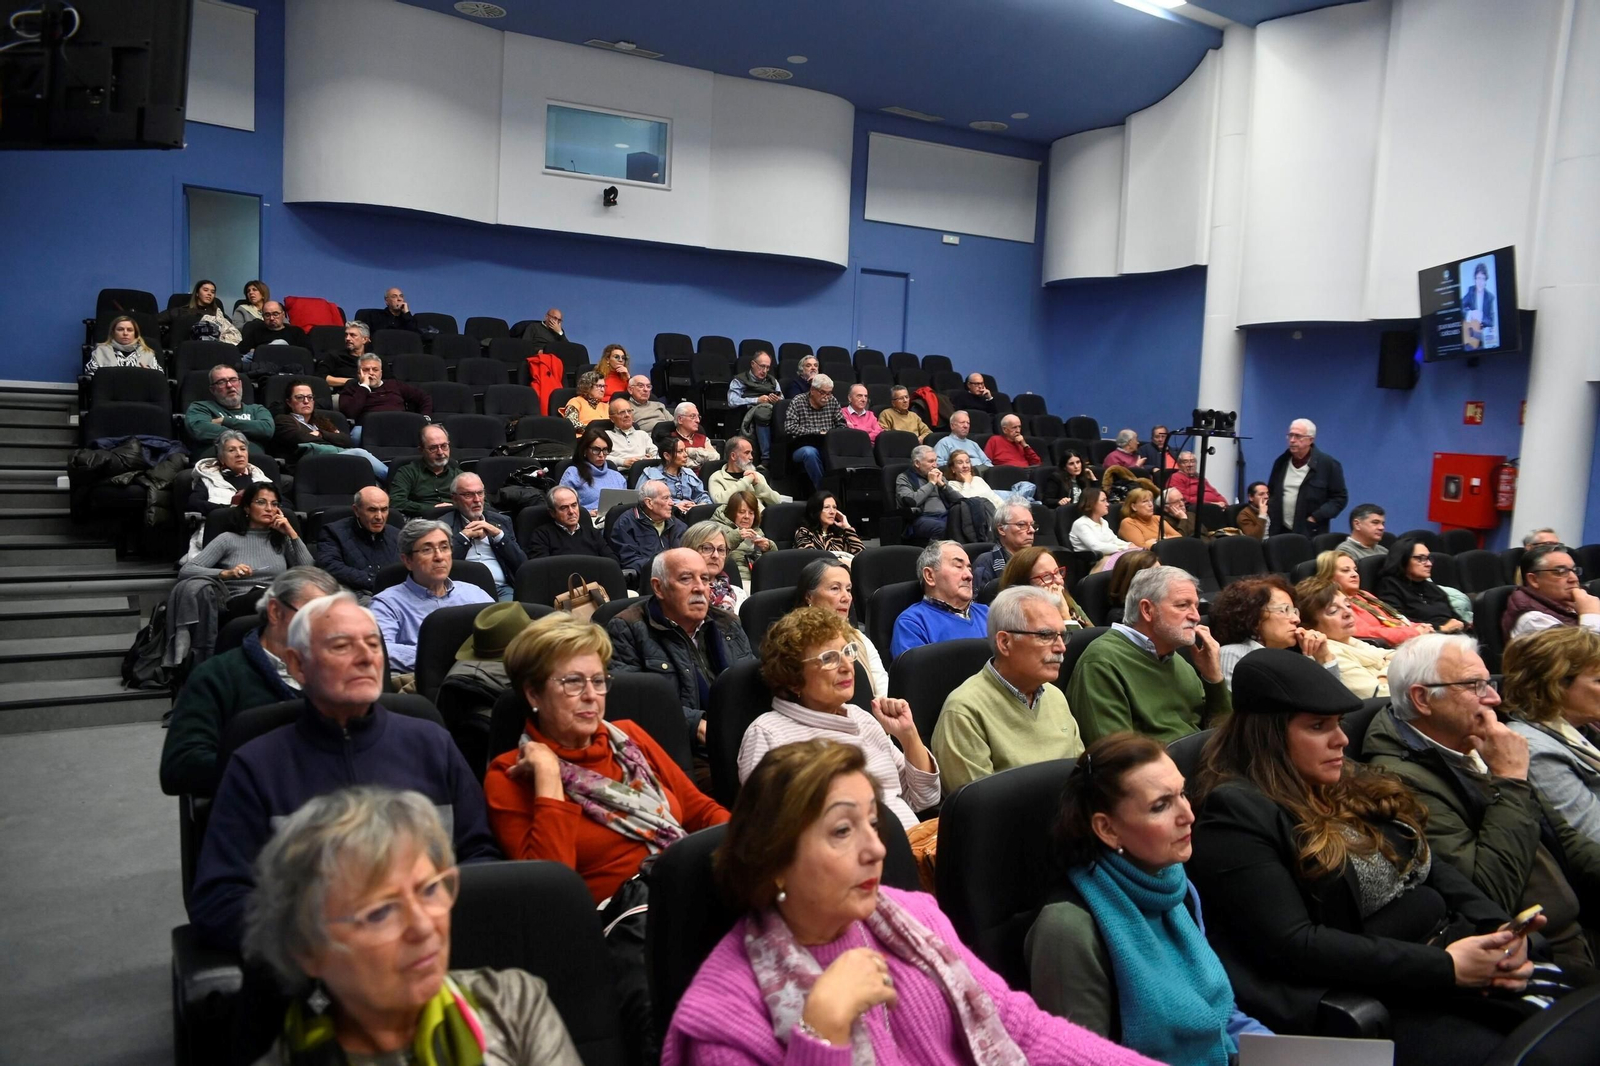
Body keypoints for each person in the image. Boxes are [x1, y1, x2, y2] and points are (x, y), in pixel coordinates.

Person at [661, 739, 1160, 1066]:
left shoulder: (911, 917)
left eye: (872, 824)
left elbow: (1018, 1025)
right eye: (841, 830)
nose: (876, 849)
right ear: (772, 859)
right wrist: (823, 1032)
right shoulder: (722, 1020)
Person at [1188, 648, 1543, 1058]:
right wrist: (1446, 969)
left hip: (1451, 951)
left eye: (1339, 724)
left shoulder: (1342, 776)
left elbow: (1429, 865)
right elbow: (1295, 946)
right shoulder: (1235, 812)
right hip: (1385, 993)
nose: (1341, 739)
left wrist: (1498, 929)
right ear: (1269, 736)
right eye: (1318, 726)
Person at [189, 593, 500, 951]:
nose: (366, 657)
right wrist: (332, 940)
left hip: (435, 955)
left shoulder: (432, 743)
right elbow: (220, 899)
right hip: (317, 974)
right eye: (341, 646)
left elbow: (481, 857)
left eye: (373, 644)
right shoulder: (256, 765)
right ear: (298, 665)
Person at [242, 787, 580, 1066]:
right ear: (308, 949)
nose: (423, 926)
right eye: (380, 912)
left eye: (430, 889)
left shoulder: (512, 1006)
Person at [1026, 733, 1270, 1061]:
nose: (1188, 815)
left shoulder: (1173, 884)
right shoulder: (1067, 929)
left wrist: (1284, 1054)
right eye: (1161, 806)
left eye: (1182, 794)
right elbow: (1081, 1060)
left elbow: (1221, 1017)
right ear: (1108, 829)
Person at [1366, 633, 1600, 970]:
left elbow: (1564, 838)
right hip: (1535, 953)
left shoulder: (1476, 746)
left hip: (1579, 923)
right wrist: (1510, 780)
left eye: (1490, 683)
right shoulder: (1399, 782)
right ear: (1423, 698)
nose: (1493, 698)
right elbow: (1489, 895)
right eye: (1475, 685)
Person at [484, 612, 727, 901]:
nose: (591, 695)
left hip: (687, 891)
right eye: (573, 682)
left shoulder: (627, 738)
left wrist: (743, 850)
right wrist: (549, 779)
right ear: (534, 694)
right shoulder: (509, 775)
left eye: (598, 681)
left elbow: (701, 812)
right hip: (619, 927)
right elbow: (549, 893)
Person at [739, 608, 939, 827]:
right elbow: (770, 833)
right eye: (829, 658)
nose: (847, 667)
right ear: (793, 677)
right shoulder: (768, 734)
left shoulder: (862, 717)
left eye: (847, 651)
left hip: (913, 844)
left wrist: (908, 735)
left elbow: (924, 798)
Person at [159, 567, 338, 797]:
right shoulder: (216, 676)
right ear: (275, 611)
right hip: (256, 809)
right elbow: (180, 767)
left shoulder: (340, 671)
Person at [933, 586, 1084, 793]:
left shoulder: (1055, 696)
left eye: (1062, 636)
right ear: (1005, 642)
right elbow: (979, 810)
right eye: (1046, 635)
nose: (1061, 647)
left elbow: (1083, 781)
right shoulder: (964, 711)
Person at [1066, 566, 1228, 744]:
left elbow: (1223, 733)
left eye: (1196, 606)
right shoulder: (1100, 663)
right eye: (1183, 605)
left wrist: (1214, 679)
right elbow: (1116, 756)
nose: (1196, 616)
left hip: (1203, 764)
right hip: (1164, 769)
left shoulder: (1175, 659)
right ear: (1147, 610)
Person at [607, 547, 755, 742]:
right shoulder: (627, 629)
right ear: (659, 588)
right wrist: (697, 725)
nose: (700, 588)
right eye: (686, 579)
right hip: (678, 744)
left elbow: (750, 684)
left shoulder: (727, 623)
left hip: (740, 734)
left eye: (704, 579)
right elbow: (635, 702)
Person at [1503, 627, 1600, 842]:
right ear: (1556, 684)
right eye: (1598, 681)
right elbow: (1593, 835)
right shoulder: (1535, 750)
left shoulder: (1584, 727)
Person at [370, 519, 493, 674]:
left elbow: (507, 632)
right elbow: (379, 648)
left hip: (482, 677)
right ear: (408, 560)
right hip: (422, 683)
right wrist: (440, 659)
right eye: (427, 550)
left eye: (444, 547)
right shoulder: (387, 603)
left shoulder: (475, 593)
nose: (439, 557)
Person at [180, 482, 314, 600]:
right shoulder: (227, 539)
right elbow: (187, 570)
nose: (269, 509)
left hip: (277, 601)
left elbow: (309, 572)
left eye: (274, 504)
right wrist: (227, 573)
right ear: (247, 508)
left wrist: (292, 534)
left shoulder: (281, 539)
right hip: (239, 603)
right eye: (261, 502)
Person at [1210, 575, 1335, 687]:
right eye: (1284, 610)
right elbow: (1233, 711)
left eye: (1294, 611)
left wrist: (1324, 658)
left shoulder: (1296, 656)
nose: (1296, 619)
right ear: (1255, 617)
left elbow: (1334, 703)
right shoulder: (1233, 654)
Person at [795, 559, 888, 698]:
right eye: (835, 588)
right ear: (809, 597)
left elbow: (883, 692)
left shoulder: (858, 637)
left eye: (848, 589)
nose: (846, 598)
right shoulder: (793, 642)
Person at [1296, 579, 1396, 698]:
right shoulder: (1328, 653)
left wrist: (1383, 676)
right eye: (1333, 611)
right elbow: (1381, 694)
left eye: (1347, 605)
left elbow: (1396, 655)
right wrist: (1389, 667)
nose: (1348, 612)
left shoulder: (1345, 639)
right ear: (1309, 626)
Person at [890, 540, 990, 659]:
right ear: (930, 576)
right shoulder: (912, 624)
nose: (969, 575)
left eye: (969, 568)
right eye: (958, 566)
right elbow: (916, 676)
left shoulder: (988, 613)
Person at [1312, 549, 1432, 646]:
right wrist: (1414, 632)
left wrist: (1419, 626)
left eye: (1355, 570)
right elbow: (1369, 633)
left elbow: (1393, 619)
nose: (1354, 574)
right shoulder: (1339, 604)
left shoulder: (1364, 594)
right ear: (1328, 576)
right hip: (1388, 648)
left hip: (1407, 639)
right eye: (1345, 570)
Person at [272, 379, 387, 478]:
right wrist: (332, 437)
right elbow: (301, 438)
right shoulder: (283, 420)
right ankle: (393, 480)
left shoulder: (321, 421)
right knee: (359, 453)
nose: (306, 401)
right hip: (307, 465)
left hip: (332, 460)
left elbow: (346, 440)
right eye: (300, 397)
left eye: (309, 397)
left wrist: (321, 434)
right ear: (289, 402)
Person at [443, 472, 526, 602]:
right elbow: (443, 564)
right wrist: (464, 537)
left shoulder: (501, 521)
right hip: (462, 591)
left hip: (501, 589)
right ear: (454, 498)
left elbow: (521, 563)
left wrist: (499, 535)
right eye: (468, 495)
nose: (477, 500)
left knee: (511, 618)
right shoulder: (443, 525)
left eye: (480, 493)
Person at [1267, 418, 1347, 536]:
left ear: (1310, 440)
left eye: (1298, 436)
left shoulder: (1327, 464)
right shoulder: (1281, 462)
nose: (1292, 440)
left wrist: (1315, 517)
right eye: (1290, 435)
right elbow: (1272, 491)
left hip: (1311, 531)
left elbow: (1339, 498)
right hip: (1280, 530)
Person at [315, 487, 401, 597]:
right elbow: (331, 567)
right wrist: (373, 580)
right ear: (356, 510)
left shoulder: (397, 534)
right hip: (355, 596)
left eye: (384, 510)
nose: (379, 517)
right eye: (372, 510)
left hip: (398, 595)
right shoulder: (333, 532)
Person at [1504, 542, 1600, 639]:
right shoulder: (1534, 620)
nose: (1574, 578)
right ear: (1534, 580)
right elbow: (1582, 653)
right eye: (1560, 572)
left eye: (1574, 571)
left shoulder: (1572, 604)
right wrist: (1590, 615)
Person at [1377, 534, 1469, 633]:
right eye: (1420, 559)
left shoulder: (1431, 587)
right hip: (1422, 639)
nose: (1429, 564)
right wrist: (1441, 628)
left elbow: (1454, 617)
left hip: (1451, 636)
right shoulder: (1389, 586)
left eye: (1428, 558)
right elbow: (1398, 620)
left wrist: (1462, 624)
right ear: (1403, 560)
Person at [896, 444, 988, 542]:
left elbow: (959, 499)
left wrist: (942, 485)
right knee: (945, 528)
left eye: (935, 460)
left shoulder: (939, 476)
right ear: (917, 463)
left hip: (946, 515)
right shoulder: (904, 478)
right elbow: (912, 501)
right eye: (931, 461)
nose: (935, 465)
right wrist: (931, 483)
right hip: (921, 518)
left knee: (972, 516)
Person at [184, 363, 275, 452]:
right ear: (213, 390)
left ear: (240, 383)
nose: (229, 385)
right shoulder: (200, 408)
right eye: (221, 382)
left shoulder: (257, 409)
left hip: (256, 462)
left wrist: (224, 421)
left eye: (233, 380)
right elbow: (200, 430)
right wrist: (252, 432)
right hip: (215, 461)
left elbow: (267, 430)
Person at [609, 481, 687, 582]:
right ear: (649, 503)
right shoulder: (625, 524)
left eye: (670, 497)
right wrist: (665, 565)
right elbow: (629, 561)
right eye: (666, 498)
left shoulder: (676, 523)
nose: (672, 502)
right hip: (646, 581)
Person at [782, 372, 847, 490]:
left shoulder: (833, 401)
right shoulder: (798, 401)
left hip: (827, 446)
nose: (826, 397)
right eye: (823, 393)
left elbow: (842, 425)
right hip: (801, 447)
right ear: (812, 390)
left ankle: (842, 490)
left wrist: (830, 434)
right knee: (810, 453)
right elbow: (789, 427)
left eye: (829, 393)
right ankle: (823, 490)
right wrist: (816, 433)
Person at [1001, 545, 1092, 629]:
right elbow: (1072, 646)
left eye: (1057, 572)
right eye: (1046, 576)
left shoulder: (1065, 599)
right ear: (1024, 585)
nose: (1059, 581)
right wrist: (1065, 617)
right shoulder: (1021, 620)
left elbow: (1094, 638)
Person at [187, 428, 273, 514]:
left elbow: (282, 504)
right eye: (231, 450)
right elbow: (194, 504)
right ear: (221, 457)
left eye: (243, 449)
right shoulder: (208, 478)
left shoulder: (261, 479)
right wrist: (231, 509)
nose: (239, 454)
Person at [522, 485, 616, 562]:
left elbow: (612, 561)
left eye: (574, 505)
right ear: (552, 513)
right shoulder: (542, 535)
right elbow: (541, 569)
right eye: (564, 508)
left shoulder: (593, 533)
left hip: (594, 582)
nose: (571, 511)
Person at [338, 353, 433, 428]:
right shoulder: (351, 387)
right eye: (366, 370)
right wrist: (364, 387)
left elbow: (424, 397)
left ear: (381, 373)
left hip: (400, 424)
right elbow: (349, 412)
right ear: (359, 373)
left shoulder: (394, 384)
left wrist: (425, 417)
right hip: (368, 428)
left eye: (375, 370)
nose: (371, 373)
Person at [388, 424, 461, 517]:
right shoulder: (407, 472)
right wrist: (432, 509)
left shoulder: (458, 475)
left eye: (444, 446)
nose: (440, 452)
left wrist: (455, 508)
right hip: (421, 521)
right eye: (433, 448)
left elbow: (482, 503)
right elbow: (396, 502)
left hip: (455, 520)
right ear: (421, 450)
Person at [557, 425, 626, 519]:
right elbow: (561, 505)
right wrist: (586, 514)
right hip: (586, 523)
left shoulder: (617, 476)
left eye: (605, 450)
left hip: (617, 523)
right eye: (596, 450)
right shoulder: (573, 473)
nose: (601, 455)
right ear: (585, 450)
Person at [683, 520, 747, 613]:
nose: (715, 555)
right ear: (689, 550)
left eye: (721, 550)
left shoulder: (739, 594)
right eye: (707, 548)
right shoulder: (680, 594)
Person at [728, 350, 782, 455]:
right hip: (751, 412)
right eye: (762, 366)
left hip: (771, 410)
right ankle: (766, 456)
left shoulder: (773, 381)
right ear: (753, 364)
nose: (765, 370)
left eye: (767, 367)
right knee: (762, 413)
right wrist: (756, 400)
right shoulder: (739, 380)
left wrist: (777, 401)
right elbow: (732, 401)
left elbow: (782, 399)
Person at [973, 500, 1036, 591]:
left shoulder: (1039, 559)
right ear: (1001, 529)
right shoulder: (985, 563)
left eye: (1032, 525)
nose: (1032, 530)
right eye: (1022, 525)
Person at [642, 434, 712, 513]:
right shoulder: (651, 475)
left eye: (685, 450)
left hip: (690, 515)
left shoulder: (689, 473)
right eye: (680, 451)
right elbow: (642, 502)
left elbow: (702, 496)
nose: (685, 455)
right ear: (667, 456)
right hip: (664, 516)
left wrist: (697, 507)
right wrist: (674, 507)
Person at [713, 490, 771, 585]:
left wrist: (768, 548)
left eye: (751, 513)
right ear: (732, 512)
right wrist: (737, 536)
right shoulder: (716, 528)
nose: (747, 517)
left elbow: (772, 565)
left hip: (758, 580)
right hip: (730, 580)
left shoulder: (757, 531)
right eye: (742, 512)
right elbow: (713, 552)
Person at [708, 435, 782, 506]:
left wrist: (758, 484)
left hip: (762, 517)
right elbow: (719, 502)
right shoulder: (717, 478)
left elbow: (777, 502)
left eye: (751, 453)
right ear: (733, 456)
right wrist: (746, 481)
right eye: (747, 453)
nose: (751, 457)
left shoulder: (757, 476)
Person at [793, 490, 863, 561]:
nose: (832, 512)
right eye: (826, 507)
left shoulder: (838, 535)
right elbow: (810, 560)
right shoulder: (804, 532)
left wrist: (847, 527)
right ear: (816, 510)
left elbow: (862, 558)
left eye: (834, 507)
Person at [84, 314, 162, 377]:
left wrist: (150, 373)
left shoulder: (147, 353)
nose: (125, 333)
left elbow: (160, 377)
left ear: (135, 334)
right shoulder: (101, 351)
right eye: (120, 329)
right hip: (110, 393)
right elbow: (90, 373)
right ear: (113, 333)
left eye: (130, 330)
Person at [1068, 486, 1133, 558]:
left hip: (1111, 556)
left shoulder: (1103, 521)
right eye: (1103, 500)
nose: (1107, 504)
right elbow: (1096, 547)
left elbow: (1114, 540)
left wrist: (1130, 545)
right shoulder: (1081, 524)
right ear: (1091, 503)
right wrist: (1125, 548)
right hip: (1094, 562)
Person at [236, 300, 310, 359]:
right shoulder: (256, 332)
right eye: (267, 315)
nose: (271, 318)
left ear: (283, 315)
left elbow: (308, 354)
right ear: (263, 317)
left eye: (275, 314)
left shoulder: (296, 332)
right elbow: (239, 351)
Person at [604, 394, 658, 470]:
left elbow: (657, 454)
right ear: (612, 419)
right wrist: (623, 462)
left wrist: (651, 459)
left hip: (645, 473)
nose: (627, 415)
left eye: (629, 411)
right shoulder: (606, 436)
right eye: (622, 412)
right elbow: (601, 456)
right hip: (621, 474)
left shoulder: (642, 434)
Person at [1116, 487, 1180, 549]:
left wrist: (1158, 540)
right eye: (1145, 501)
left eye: (1151, 501)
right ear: (1134, 507)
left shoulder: (1157, 519)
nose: (1150, 505)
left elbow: (1179, 537)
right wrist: (1167, 538)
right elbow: (1141, 547)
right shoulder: (1128, 522)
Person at [661, 402, 720, 467]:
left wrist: (690, 451)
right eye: (692, 416)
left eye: (698, 417)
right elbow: (682, 464)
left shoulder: (703, 438)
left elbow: (716, 457)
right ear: (680, 419)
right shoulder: (670, 439)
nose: (698, 420)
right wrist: (703, 459)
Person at [316, 321, 371, 389]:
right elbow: (321, 377)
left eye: (352, 335)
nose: (347, 338)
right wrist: (352, 381)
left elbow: (386, 381)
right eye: (346, 335)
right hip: (343, 393)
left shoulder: (374, 359)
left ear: (364, 339)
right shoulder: (335, 356)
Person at [358, 286, 423, 335]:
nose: (399, 299)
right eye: (394, 296)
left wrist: (407, 313)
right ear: (387, 301)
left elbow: (416, 336)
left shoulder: (408, 319)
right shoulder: (374, 316)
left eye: (401, 296)